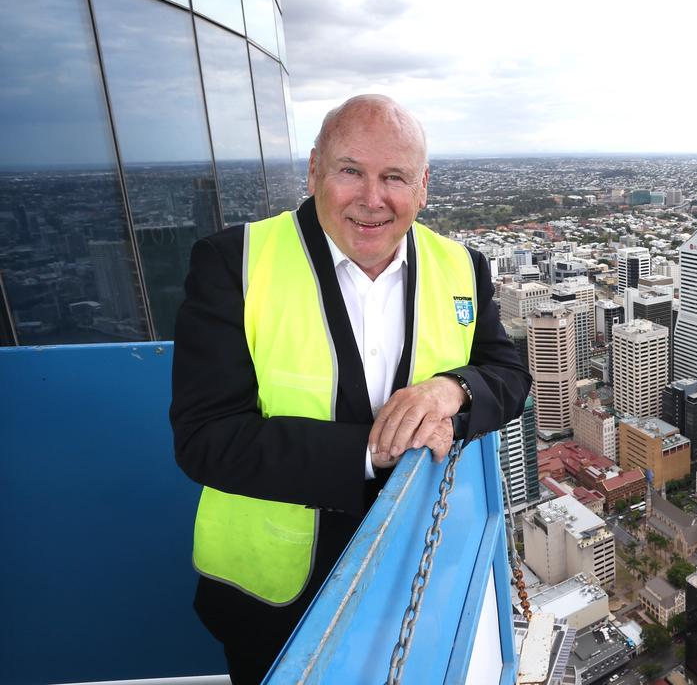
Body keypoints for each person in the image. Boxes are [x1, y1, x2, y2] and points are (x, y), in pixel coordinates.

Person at [170, 94, 530, 683]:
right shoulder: (234, 264)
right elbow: (205, 438)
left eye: (394, 177)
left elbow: (508, 375)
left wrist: (450, 391)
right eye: (350, 171)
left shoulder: (462, 266)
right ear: (314, 170)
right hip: (275, 596)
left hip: (417, 573)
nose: (371, 198)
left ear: (423, 187)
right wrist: (368, 452)